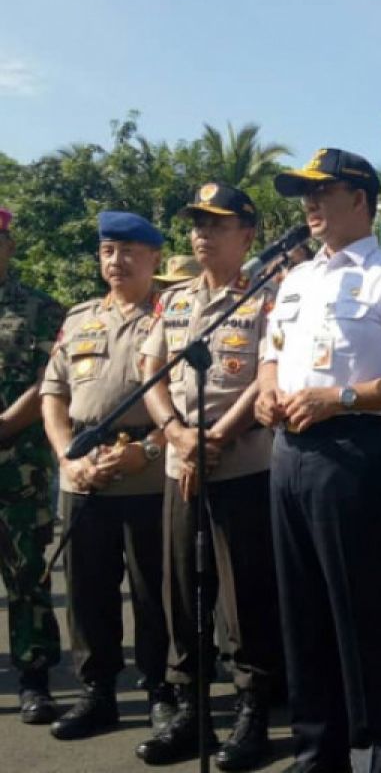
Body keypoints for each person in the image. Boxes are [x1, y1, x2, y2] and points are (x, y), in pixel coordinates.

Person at [256, 148, 381, 773]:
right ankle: (318, 752)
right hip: (288, 454)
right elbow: (272, 352)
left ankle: (374, 753)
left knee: (363, 615)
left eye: (322, 191)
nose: (308, 204)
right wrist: (265, 388)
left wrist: (340, 397)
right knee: (302, 613)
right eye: (304, 193)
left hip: (354, 454)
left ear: (360, 199)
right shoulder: (296, 279)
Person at [136, 183, 283, 770]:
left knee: (248, 594)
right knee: (183, 590)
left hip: (242, 464)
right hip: (182, 466)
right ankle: (192, 709)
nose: (201, 234)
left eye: (216, 224)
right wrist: (176, 433)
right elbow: (153, 369)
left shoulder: (268, 296)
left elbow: (269, 370)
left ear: (247, 234)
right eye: (197, 224)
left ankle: (253, 713)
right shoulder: (173, 301)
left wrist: (218, 436)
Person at [40, 211, 173, 740]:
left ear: (154, 258)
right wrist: (65, 458)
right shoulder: (79, 319)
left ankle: (163, 689)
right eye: (107, 251)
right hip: (84, 475)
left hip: (147, 473)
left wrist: (149, 448)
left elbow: (185, 400)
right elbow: (54, 393)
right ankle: (97, 693)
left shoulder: (171, 314)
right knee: (88, 592)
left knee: (154, 590)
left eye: (128, 252)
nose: (115, 261)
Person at [0, 205, 64, 726]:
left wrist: (5, 425)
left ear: (9, 246)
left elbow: (49, 379)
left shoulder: (41, 308)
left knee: (27, 576)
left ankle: (34, 678)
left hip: (18, 466)